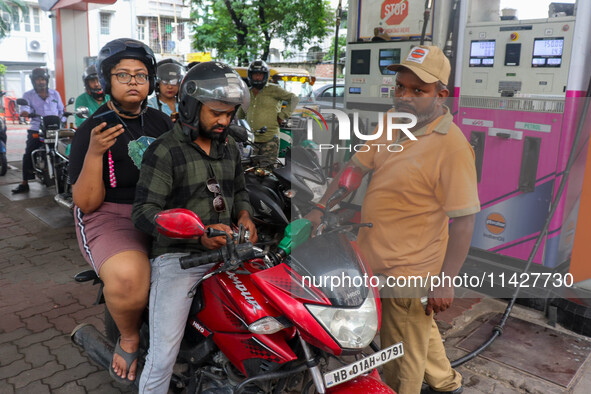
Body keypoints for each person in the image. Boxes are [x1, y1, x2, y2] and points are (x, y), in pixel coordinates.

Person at [306, 46, 480, 394]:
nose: (405, 97)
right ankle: (447, 384)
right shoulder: (390, 121)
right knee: (418, 330)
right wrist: (322, 206)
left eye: (419, 91)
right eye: (400, 87)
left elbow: (464, 221)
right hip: (374, 257)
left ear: (441, 95)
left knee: (400, 356)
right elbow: (355, 169)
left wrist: (446, 281)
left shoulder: (452, 146)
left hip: (409, 269)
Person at [132, 61, 257, 393]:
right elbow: (144, 213)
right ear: (190, 106)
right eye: (216, 112)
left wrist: (244, 215)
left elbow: (240, 190)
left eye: (229, 114)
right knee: (162, 358)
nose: (224, 121)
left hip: (230, 252)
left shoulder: (228, 147)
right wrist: (197, 235)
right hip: (179, 259)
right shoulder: (165, 152)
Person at [68, 38, 173, 385]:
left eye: (140, 75)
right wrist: (96, 152)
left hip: (159, 209)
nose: (132, 82)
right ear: (107, 80)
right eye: (123, 75)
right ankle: (128, 336)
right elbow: (86, 203)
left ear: (151, 81)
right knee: (129, 276)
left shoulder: (162, 124)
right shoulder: (91, 130)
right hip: (109, 214)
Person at [11, 68, 64, 193]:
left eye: (43, 79)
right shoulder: (28, 95)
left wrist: (63, 118)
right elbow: (25, 108)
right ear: (34, 81)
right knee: (29, 151)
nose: (41, 82)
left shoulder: (55, 94)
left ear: (47, 80)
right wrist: (25, 112)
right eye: (38, 79)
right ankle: (24, 182)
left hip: (55, 129)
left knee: (65, 150)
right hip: (37, 128)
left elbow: (61, 110)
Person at [236, 59, 298, 161]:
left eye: (260, 74)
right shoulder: (246, 92)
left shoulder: (274, 89)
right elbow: (241, 114)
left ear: (265, 76)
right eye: (255, 74)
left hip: (269, 139)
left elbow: (294, 99)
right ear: (250, 75)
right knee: (249, 170)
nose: (257, 77)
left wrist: (282, 115)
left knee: (268, 171)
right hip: (250, 140)